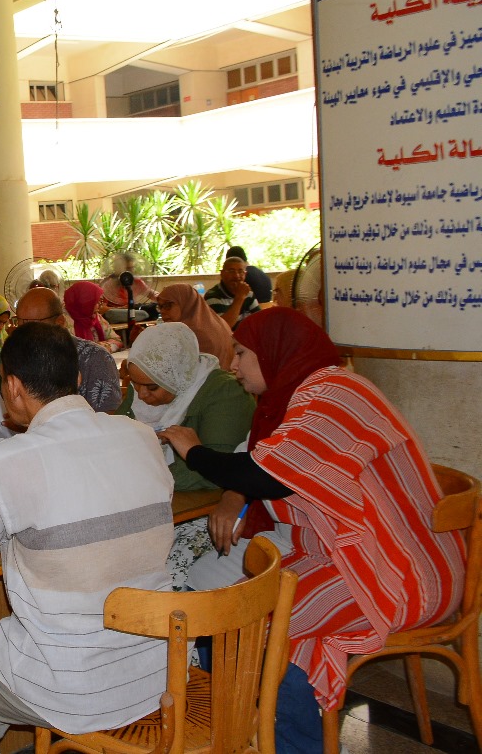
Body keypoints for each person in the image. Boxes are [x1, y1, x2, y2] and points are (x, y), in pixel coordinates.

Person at [159, 308, 464, 754]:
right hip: (358, 556)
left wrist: (193, 450)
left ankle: (273, 740)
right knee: (235, 612)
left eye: (242, 353)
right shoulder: (305, 393)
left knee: (253, 625)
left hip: (399, 571)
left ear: (276, 352)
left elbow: (265, 477)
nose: (233, 365)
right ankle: (242, 730)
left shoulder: (333, 395)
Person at [0, 322, 174, 752]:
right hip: (161, 663)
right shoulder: (141, 436)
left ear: (13, 387)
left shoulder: (4, 461)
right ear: (77, 378)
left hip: (75, 680)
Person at [115, 322, 254, 588]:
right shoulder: (145, 383)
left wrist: (137, 477)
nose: (141, 395)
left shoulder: (225, 394)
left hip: (207, 512)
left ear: (175, 376)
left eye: (151, 387)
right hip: (155, 502)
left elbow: (215, 470)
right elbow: (117, 439)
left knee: (153, 579)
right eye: (135, 384)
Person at [12, 286, 120, 412]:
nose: (23, 332)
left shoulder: (96, 359)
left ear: (60, 322)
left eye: (31, 324)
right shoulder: (16, 357)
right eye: (19, 322)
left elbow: (108, 417)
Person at [156, 282, 234, 370]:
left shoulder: (191, 333)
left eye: (168, 305)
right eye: (160, 306)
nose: (162, 311)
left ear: (186, 303)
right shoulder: (216, 321)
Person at [204, 256, 260, 329]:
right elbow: (223, 327)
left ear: (245, 275)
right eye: (231, 271)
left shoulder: (248, 294)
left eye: (240, 271)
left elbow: (260, 320)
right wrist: (239, 298)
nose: (236, 276)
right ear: (222, 274)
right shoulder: (212, 296)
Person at [99, 252, 158, 322]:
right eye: (128, 268)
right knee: (143, 314)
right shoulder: (108, 284)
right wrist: (122, 309)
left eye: (132, 268)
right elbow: (101, 309)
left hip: (132, 313)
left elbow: (152, 294)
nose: (131, 271)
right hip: (113, 316)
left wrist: (163, 297)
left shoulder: (136, 282)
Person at [63, 281, 120, 352]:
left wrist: (106, 346)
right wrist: (93, 349)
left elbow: (117, 340)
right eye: (96, 302)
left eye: (101, 301)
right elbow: (67, 349)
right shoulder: (64, 321)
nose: (100, 306)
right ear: (84, 302)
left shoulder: (95, 317)